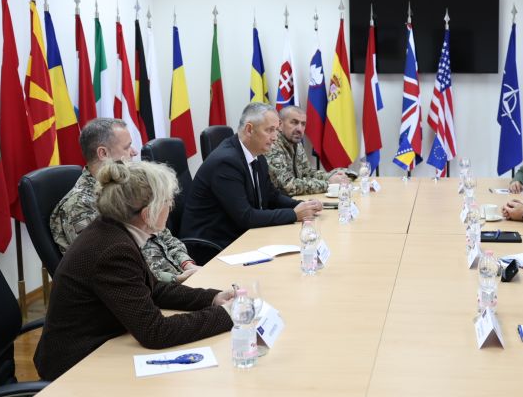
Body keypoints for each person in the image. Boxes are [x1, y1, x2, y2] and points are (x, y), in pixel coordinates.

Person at [35, 161, 239, 381]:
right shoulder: (113, 250)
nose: (171, 207)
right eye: (167, 201)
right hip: (76, 366)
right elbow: (155, 332)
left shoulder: (114, 229)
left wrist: (213, 298)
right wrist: (227, 315)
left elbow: (153, 289)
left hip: (104, 343)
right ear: (147, 214)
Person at [50, 118, 199, 283]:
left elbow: (162, 233)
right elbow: (110, 268)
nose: (134, 152)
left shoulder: (130, 186)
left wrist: (187, 264)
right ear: (103, 153)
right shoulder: (79, 206)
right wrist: (175, 279)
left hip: (176, 276)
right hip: (142, 287)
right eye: (127, 147)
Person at [180, 103, 322, 247]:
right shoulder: (226, 162)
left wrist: (303, 206)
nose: (275, 137)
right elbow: (245, 217)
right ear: (249, 129)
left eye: (276, 130)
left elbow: (272, 196)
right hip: (212, 245)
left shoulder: (258, 156)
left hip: (239, 236)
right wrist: (294, 214)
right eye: (270, 130)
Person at [267, 105, 350, 195]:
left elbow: (307, 172)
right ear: (280, 125)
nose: (299, 129)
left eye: (303, 124)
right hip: (276, 202)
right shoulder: (272, 145)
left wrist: (331, 177)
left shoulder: (296, 143)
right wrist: (329, 184)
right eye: (294, 123)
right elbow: (287, 186)